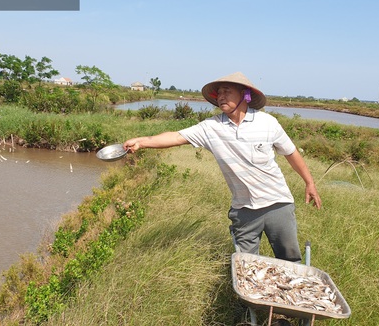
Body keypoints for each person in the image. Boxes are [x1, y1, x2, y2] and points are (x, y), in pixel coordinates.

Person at [123, 72, 321, 262]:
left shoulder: (268, 123)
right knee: (246, 265)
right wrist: (142, 142)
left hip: (277, 204)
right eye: (219, 93)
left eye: (227, 91)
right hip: (243, 210)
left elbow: (291, 153)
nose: (221, 96)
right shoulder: (211, 127)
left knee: (289, 261)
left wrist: (309, 183)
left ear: (245, 95)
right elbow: (176, 136)